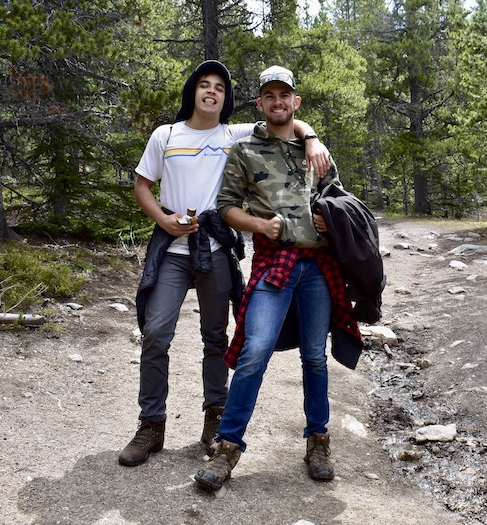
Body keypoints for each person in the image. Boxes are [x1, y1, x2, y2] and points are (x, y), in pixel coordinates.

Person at [119, 60, 330, 467]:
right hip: (173, 251)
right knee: (156, 333)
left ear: (227, 98)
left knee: (215, 337)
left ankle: (215, 419)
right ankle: (151, 425)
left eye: (219, 86)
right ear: (193, 92)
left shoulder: (234, 134)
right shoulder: (166, 135)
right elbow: (142, 185)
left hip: (215, 249)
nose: (211, 91)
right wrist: (162, 219)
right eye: (204, 85)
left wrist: (313, 137)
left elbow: (285, 119)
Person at [193, 65, 363, 491]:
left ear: (295, 102)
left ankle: (318, 440)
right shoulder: (245, 149)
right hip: (275, 264)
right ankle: (227, 447)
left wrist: (328, 216)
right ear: (261, 104)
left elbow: (337, 196)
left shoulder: (316, 151)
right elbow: (226, 206)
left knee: (314, 357)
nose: (278, 102)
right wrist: (257, 225)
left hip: (319, 268)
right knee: (255, 350)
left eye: (284, 95)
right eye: (269, 96)